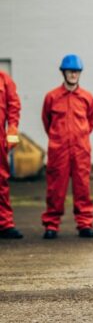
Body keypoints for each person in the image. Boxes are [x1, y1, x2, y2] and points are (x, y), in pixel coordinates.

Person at [41, 55, 93, 240]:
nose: (73, 74)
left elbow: (91, 121)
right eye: (70, 71)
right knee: (55, 188)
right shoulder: (52, 97)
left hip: (81, 149)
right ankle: (51, 225)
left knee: (83, 187)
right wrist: (59, 139)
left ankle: (85, 224)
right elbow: (46, 121)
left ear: (79, 73)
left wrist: (79, 139)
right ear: (63, 72)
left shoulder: (87, 98)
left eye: (76, 71)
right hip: (59, 150)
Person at [0, 70, 22, 239]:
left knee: (1, 181)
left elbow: (13, 107)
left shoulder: (4, 79)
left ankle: (5, 224)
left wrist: (12, 133)